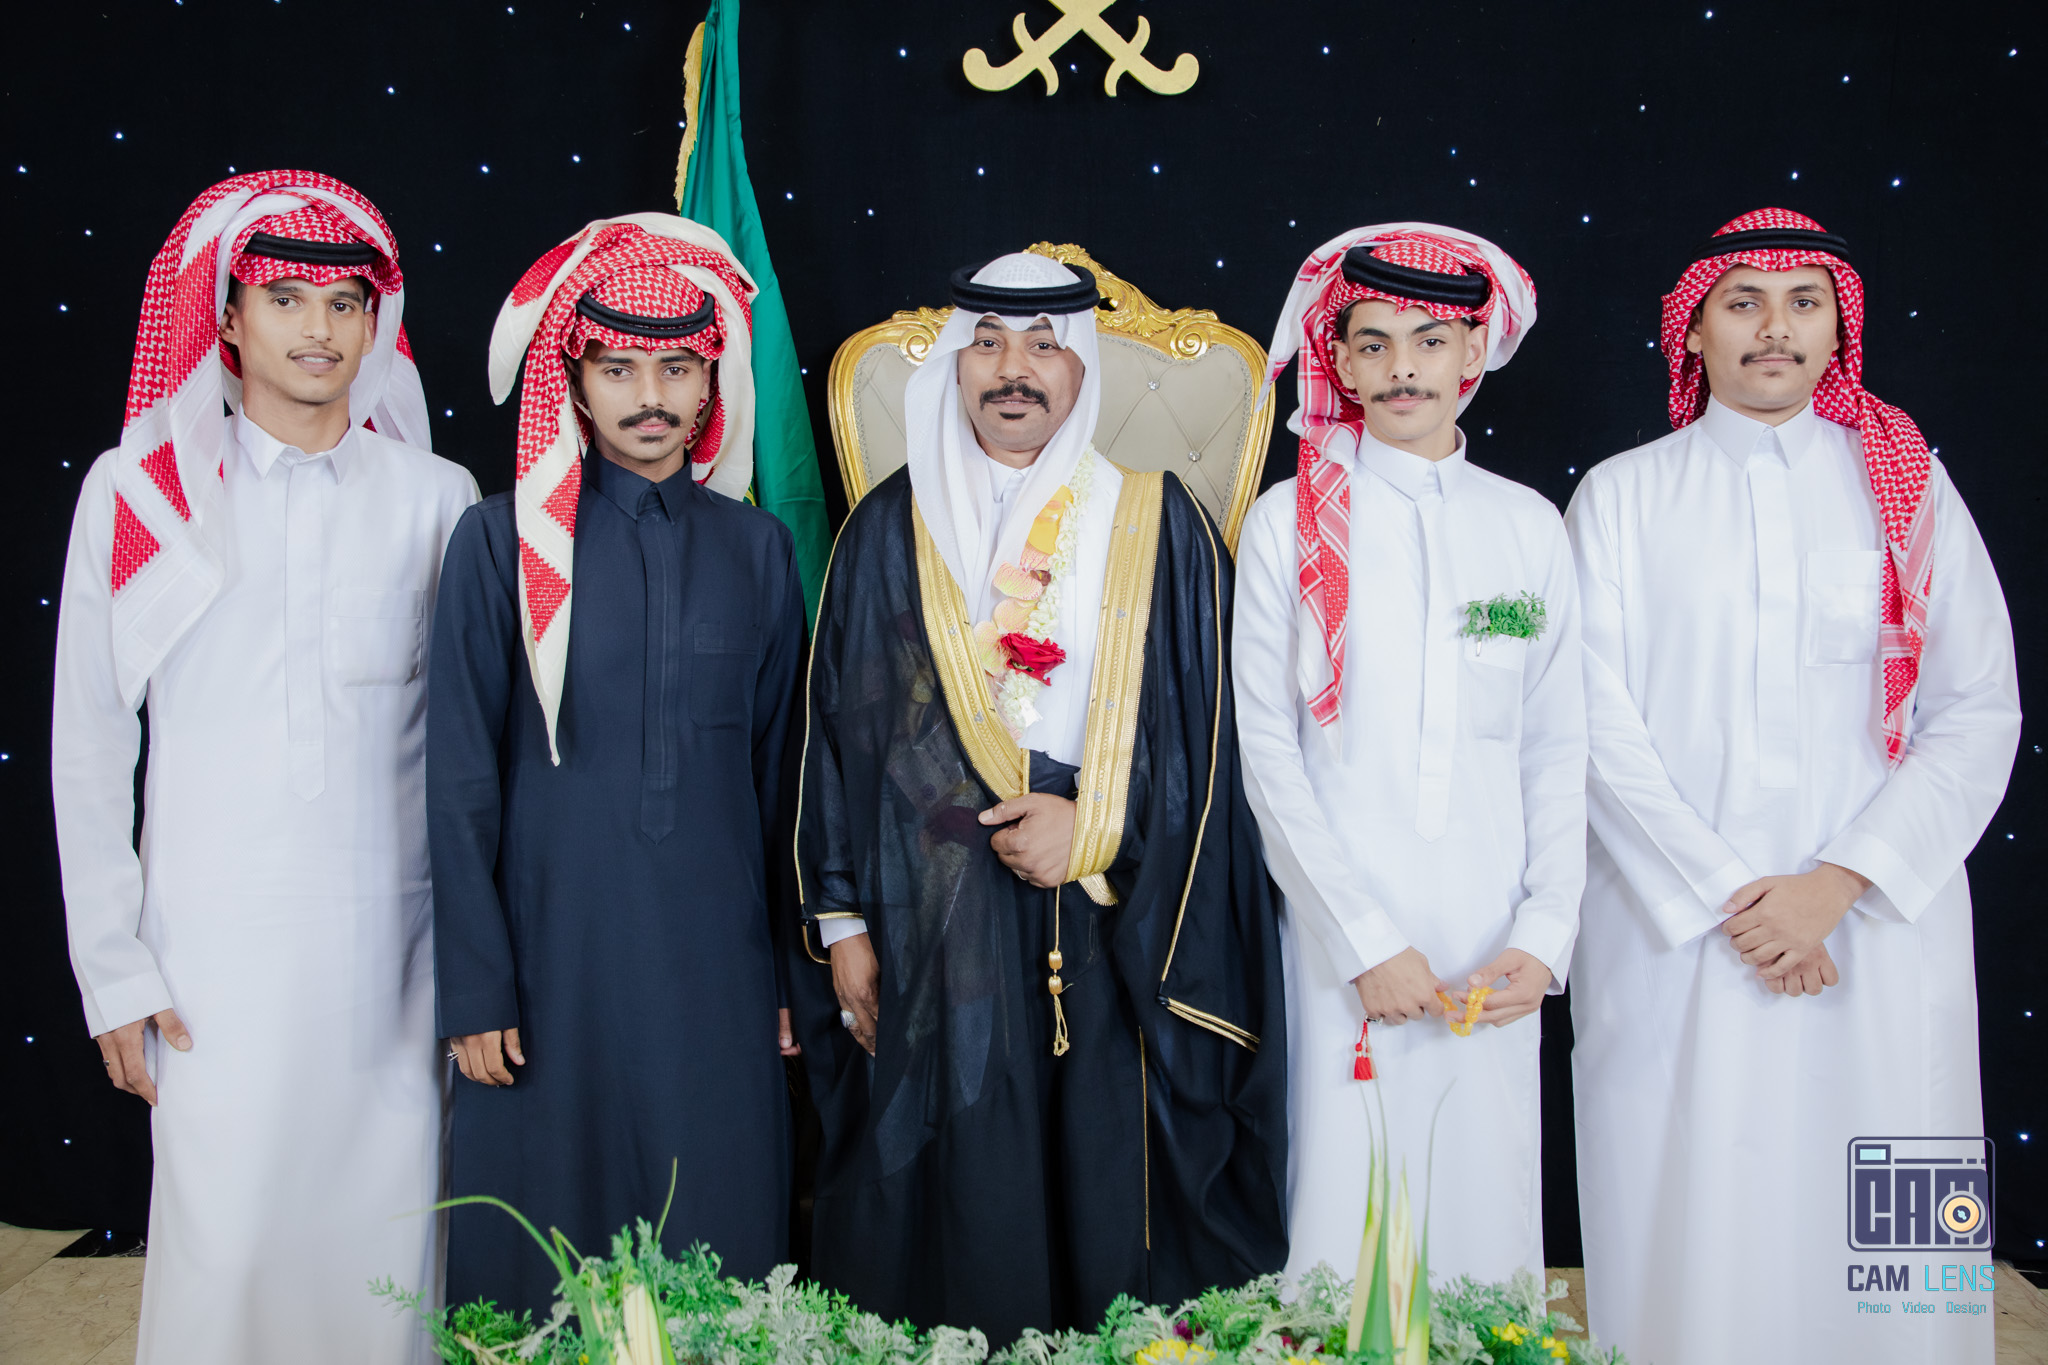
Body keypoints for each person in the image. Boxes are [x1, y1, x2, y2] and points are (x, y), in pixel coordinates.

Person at [788, 253, 1289, 1343]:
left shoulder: (1159, 523)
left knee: (1100, 1172)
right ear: (957, 364)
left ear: (1082, 369)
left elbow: (1211, 744)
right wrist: (841, 920)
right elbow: (836, 733)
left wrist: (1096, 827)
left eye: (1043, 346)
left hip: (1111, 912)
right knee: (956, 1195)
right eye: (987, 344)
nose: (1011, 370)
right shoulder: (887, 526)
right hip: (924, 912)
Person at [1567, 209, 2020, 1365]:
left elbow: (1975, 709)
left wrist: (1837, 883)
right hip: (1679, 934)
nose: (1773, 328)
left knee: (1895, 1227)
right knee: (1684, 1225)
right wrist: (1735, 897)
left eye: (1801, 303)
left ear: (1835, 329)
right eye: (1743, 303)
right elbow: (1589, 724)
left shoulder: (1908, 489)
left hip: (1878, 925)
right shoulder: (1619, 496)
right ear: (1693, 332)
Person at [51, 171, 474, 1364]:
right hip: (208, 964)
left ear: (376, 325)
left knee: (389, 1254)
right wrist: (112, 969)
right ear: (228, 319)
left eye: (344, 303)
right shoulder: (140, 494)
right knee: (225, 1250)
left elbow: (472, 749)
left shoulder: (437, 498)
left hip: (395, 955)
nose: (317, 329)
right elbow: (89, 743)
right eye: (285, 299)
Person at [428, 214, 806, 1317]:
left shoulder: (758, 548)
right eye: (619, 368)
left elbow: (783, 780)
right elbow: (458, 781)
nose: (650, 396)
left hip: (717, 966)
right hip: (550, 965)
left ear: (711, 384)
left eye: (677, 368)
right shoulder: (497, 543)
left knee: (719, 1240)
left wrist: (790, 978)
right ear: (576, 385)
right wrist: (476, 987)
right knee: (544, 1249)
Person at [1234, 225, 1582, 1288]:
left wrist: (1545, 936)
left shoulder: (1527, 525)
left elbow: (1556, 746)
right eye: (1374, 342)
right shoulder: (1288, 524)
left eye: (1430, 341)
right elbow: (1267, 752)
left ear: (1473, 354)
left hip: (1493, 941)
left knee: (1483, 1214)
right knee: (1342, 1216)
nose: (1402, 368)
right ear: (1337, 362)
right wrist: (1362, 939)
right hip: (1336, 932)